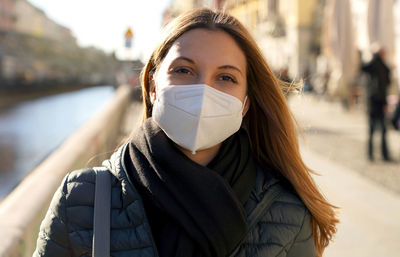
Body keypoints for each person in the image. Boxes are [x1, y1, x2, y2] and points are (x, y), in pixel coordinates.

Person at [33, 9, 338, 257]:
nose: (203, 91)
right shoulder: (82, 199)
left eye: (226, 77)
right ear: (153, 86)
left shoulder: (287, 214)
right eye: (183, 70)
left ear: (245, 104)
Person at [362, 46, 391, 161]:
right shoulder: (376, 66)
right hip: (375, 103)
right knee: (376, 130)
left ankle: (378, 154)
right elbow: (364, 68)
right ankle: (377, 155)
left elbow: (386, 84)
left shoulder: (382, 67)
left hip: (376, 103)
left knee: (378, 130)